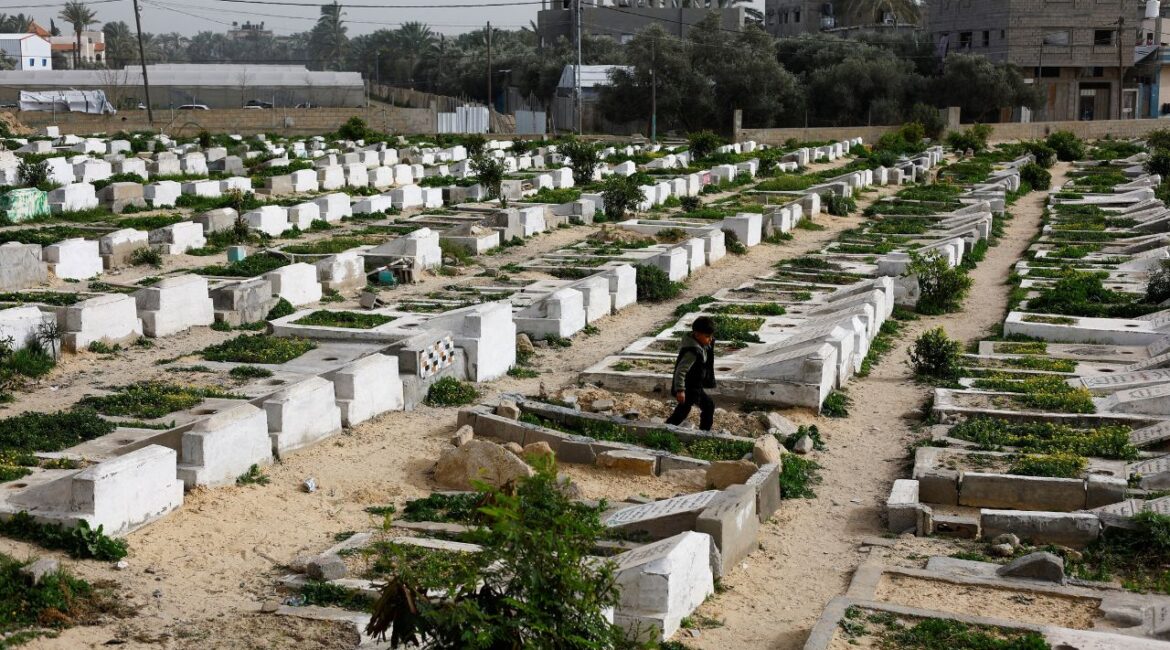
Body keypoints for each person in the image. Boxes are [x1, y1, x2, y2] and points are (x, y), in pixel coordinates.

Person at [665, 316, 716, 431]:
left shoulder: (702, 345)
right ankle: (666, 428)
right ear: (697, 335)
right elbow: (681, 371)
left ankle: (704, 431)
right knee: (684, 411)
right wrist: (680, 390)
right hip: (689, 388)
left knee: (707, 406)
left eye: (711, 336)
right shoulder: (692, 352)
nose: (710, 339)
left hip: (696, 386)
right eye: (707, 336)